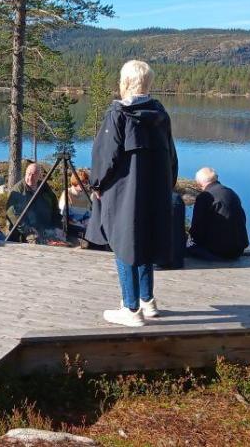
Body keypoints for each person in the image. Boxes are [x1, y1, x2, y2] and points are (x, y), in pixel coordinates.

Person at [88, 60, 178, 327]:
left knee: (125, 244)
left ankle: (131, 308)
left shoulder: (118, 114)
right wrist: (167, 186)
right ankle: (148, 301)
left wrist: (96, 185)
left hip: (124, 193)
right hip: (154, 191)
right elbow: (171, 155)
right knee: (145, 242)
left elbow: (105, 158)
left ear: (124, 82)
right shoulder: (160, 114)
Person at [187, 167, 249, 261]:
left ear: (199, 183)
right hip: (238, 250)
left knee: (186, 245)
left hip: (217, 252)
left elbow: (196, 230)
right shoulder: (231, 192)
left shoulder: (204, 197)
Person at [5, 163, 63, 243]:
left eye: (34, 174)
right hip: (25, 232)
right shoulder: (18, 191)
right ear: (25, 173)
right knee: (38, 243)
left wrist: (57, 227)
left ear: (39, 176)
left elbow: (55, 210)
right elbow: (14, 216)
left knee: (63, 241)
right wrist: (29, 231)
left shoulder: (44, 188)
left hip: (47, 228)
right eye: (28, 174)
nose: (30, 177)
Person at [58, 169, 92, 238]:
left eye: (85, 182)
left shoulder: (86, 195)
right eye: (82, 182)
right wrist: (77, 223)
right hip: (69, 227)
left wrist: (86, 222)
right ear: (75, 181)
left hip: (83, 227)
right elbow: (63, 214)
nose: (84, 184)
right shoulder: (67, 193)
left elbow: (88, 214)